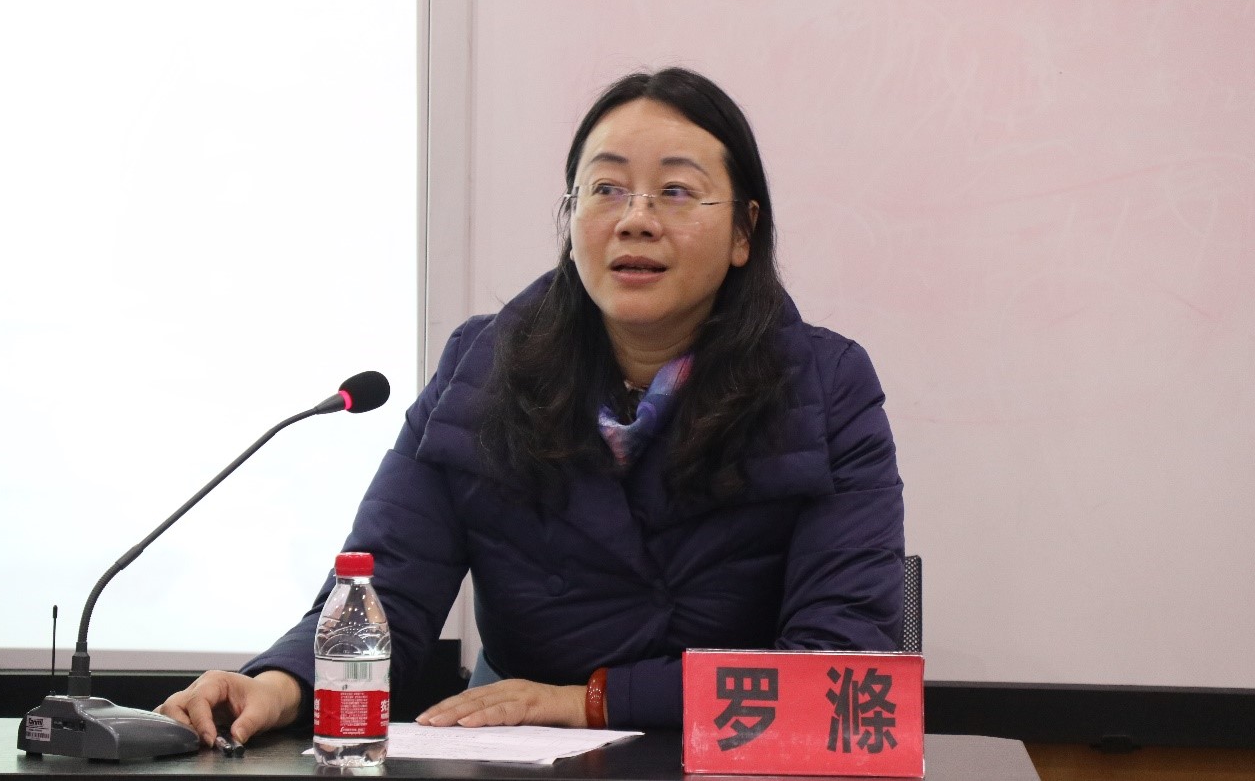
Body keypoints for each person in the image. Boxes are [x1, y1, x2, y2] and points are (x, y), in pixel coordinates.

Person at [157, 67, 905, 745]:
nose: (635, 219)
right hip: (524, 756)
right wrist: (279, 683)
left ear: (743, 231)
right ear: (569, 220)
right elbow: (387, 588)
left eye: (676, 192)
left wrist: (591, 702)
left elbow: (838, 662)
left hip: (734, 756)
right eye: (605, 189)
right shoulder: (483, 366)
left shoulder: (825, 383)